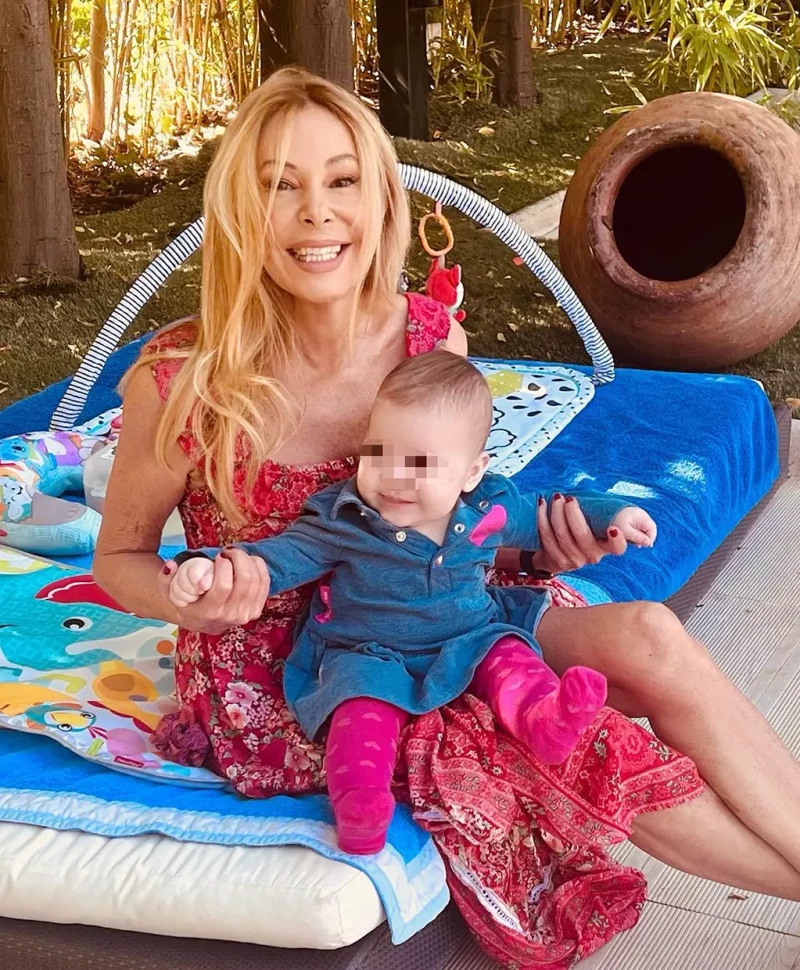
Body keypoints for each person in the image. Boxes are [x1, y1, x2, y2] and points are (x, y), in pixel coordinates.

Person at [94, 66, 800, 966]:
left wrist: (539, 555)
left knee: (651, 640)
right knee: (581, 738)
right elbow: (119, 558)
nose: (316, 212)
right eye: (280, 184)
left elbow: (455, 518)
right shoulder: (181, 377)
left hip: (442, 610)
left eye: (341, 179)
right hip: (307, 665)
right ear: (240, 209)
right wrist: (185, 598)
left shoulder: (431, 339)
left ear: (379, 197)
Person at [168, 350, 658, 854]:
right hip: (368, 651)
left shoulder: (487, 510)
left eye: (420, 463)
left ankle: (545, 719)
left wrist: (614, 512)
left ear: (472, 472)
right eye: (379, 454)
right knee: (358, 710)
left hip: (468, 634)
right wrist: (208, 566)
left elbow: (547, 512)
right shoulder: (348, 519)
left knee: (511, 656)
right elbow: (281, 557)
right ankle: (360, 805)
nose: (395, 476)